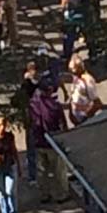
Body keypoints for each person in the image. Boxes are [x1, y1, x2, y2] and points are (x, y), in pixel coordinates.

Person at [29, 75, 69, 204]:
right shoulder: (55, 106)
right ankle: (61, 194)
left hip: (38, 141)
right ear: (50, 90)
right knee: (59, 171)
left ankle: (44, 194)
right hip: (53, 143)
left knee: (42, 171)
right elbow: (63, 125)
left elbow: (29, 122)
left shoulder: (32, 105)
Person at [68, 55, 102, 125]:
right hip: (76, 116)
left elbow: (97, 104)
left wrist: (86, 117)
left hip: (84, 119)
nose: (73, 74)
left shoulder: (87, 80)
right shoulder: (76, 77)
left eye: (74, 72)